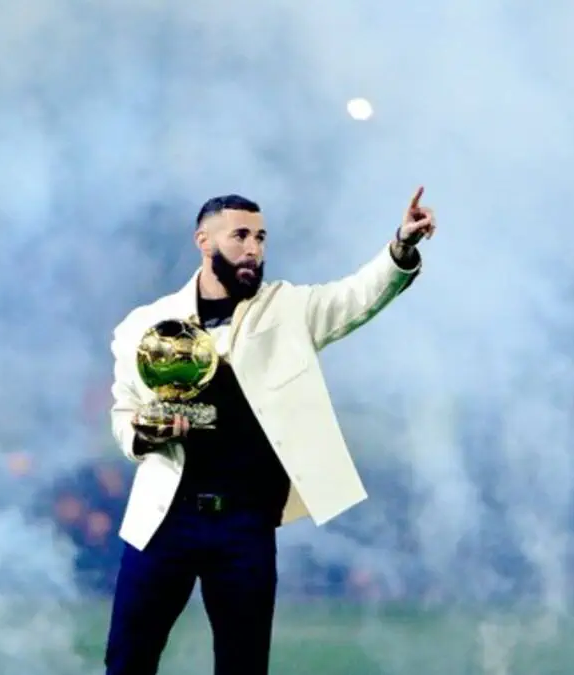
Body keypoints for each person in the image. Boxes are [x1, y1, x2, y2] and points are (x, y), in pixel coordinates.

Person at [104, 188, 437, 674]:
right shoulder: (147, 325)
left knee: (244, 667)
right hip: (164, 519)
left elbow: (357, 296)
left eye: (260, 238)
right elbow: (124, 413)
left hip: (245, 524)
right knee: (127, 661)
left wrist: (402, 246)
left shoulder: (287, 309)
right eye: (240, 236)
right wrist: (144, 433)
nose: (253, 248)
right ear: (203, 241)